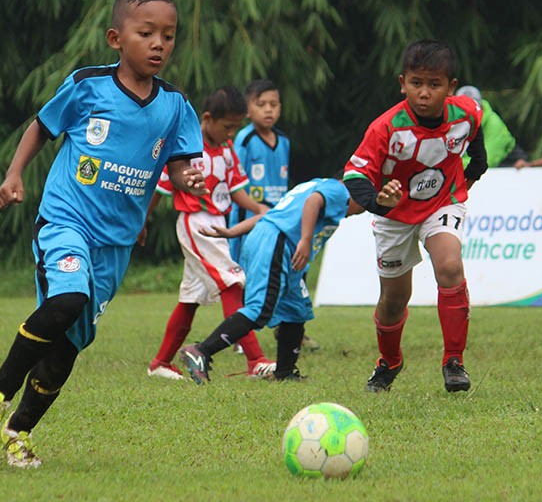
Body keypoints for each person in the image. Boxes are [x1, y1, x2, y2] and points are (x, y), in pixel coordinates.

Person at [0, 0, 207, 468]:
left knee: (69, 347)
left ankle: (18, 433)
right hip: (66, 219)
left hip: (115, 246)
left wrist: (188, 179)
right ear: (117, 38)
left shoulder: (175, 106)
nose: (159, 44)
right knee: (66, 300)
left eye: (169, 36)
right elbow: (41, 125)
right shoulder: (88, 84)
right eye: (146, 33)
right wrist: (14, 174)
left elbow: (179, 167)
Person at [343, 39, 488, 394]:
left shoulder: (467, 113)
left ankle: (454, 361)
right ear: (402, 83)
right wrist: (379, 201)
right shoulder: (386, 128)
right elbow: (354, 175)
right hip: (394, 217)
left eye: (434, 84)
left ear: (450, 87)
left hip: (441, 204)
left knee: (450, 266)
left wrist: (470, 176)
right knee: (393, 301)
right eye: (416, 83)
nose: (424, 93)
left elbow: (476, 149)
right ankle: (389, 362)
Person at [177, 176, 402, 383]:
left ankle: (284, 372)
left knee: (296, 310)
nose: (357, 212)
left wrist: (232, 232)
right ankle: (201, 351)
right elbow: (314, 201)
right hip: (277, 243)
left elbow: (271, 214)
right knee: (259, 309)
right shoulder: (338, 190)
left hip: (275, 240)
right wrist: (305, 239)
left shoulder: (316, 184)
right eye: (362, 206)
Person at [146, 85, 275, 380]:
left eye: (236, 127)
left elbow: (236, 190)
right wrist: (142, 222)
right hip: (196, 223)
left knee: (190, 298)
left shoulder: (228, 150)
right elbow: (161, 189)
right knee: (232, 284)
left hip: (217, 224)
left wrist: (259, 209)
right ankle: (256, 360)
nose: (231, 133)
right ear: (207, 118)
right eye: (227, 126)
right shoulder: (186, 147)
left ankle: (160, 363)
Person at [228, 80, 290, 262]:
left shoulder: (284, 141)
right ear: (248, 109)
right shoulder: (244, 140)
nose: (268, 110)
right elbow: (234, 181)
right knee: (244, 265)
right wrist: (253, 207)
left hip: (276, 213)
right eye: (261, 104)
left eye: (273, 104)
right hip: (248, 214)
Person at [456, 85, 527, 167]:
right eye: (461, 109)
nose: (467, 113)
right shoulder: (454, 123)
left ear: (480, 107)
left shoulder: (494, 123)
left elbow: (485, 162)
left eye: (472, 108)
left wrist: (451, 166)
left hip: (509, 171)